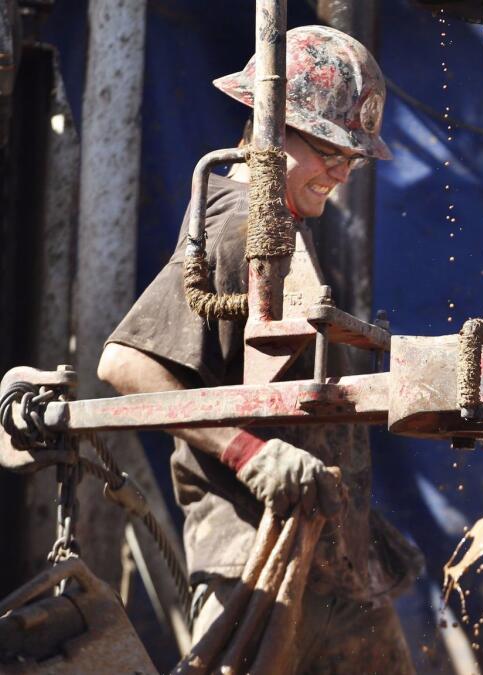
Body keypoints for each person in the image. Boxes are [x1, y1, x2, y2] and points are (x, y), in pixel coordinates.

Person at [97, 25, 420, 673]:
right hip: (258, 557)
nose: (341, 168)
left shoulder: (280, 235)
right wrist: (248, 451)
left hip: (331, 561)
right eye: (329, 144)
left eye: (353, 155)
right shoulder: (241, 220)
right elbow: (123, 362)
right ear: (272, 128)